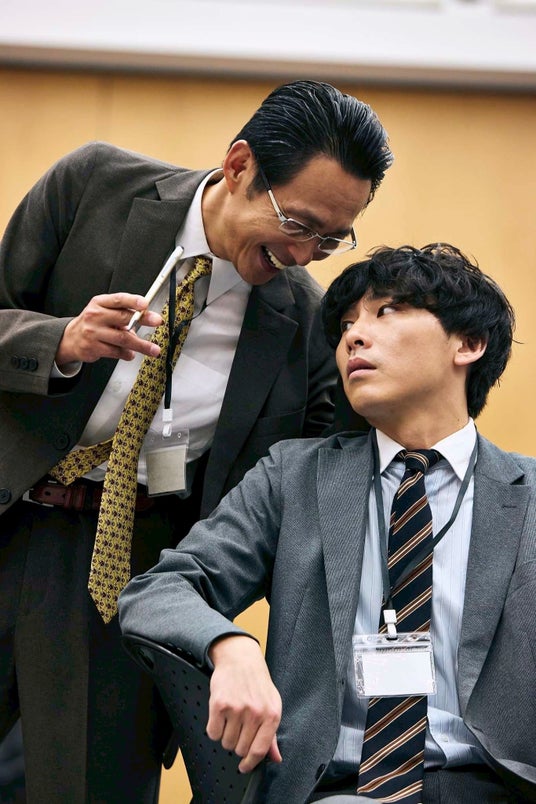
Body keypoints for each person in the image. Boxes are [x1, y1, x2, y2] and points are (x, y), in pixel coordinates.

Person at [0, 80, 393, 803]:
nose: (305, 253)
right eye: (298, 224)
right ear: (239, 165)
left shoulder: (306, 323)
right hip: (10, 507)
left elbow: (323, 473)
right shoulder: (92, 187)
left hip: (126, 568)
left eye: (331, 239)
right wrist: (60, 341)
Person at [119, 243, 536, 803]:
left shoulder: (529, 497)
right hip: (328, 789)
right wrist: (228, 644)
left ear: (469, 343)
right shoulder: (293, 477)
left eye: (386, 311)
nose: (355, 337)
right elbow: (158, 590)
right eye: (345, 326)